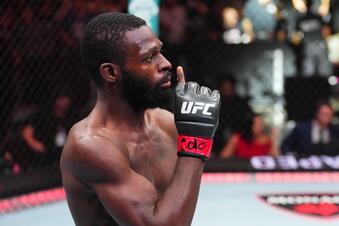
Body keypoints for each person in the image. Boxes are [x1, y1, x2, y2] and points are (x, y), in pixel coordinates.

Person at [60, 12, 220, 226]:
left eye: (160, 52)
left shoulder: (166, 124)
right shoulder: (90, 146)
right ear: (110, 72)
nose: (166, 64)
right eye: (148, 58)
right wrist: (195, 142)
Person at [213, 74, 252, 156]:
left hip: (238, 135)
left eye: (229, 87)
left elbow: (247, 121)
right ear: (220, 88)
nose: (227, 89)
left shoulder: (240, 103)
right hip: (218, 137)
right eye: (225, 87)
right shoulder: (215, 103)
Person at [293, 0, 332, 77]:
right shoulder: (316, 18)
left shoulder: (303, 19)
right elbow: (326, 31)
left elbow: (297, 36)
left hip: (313, 45)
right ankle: (318, 84)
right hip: (313, 45)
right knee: (311, 67)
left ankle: (320, 84)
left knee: (316, 67)